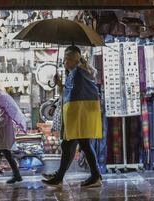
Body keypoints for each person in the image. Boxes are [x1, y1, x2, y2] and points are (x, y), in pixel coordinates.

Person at [42, 46, 103, 188]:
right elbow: (69, 92)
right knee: (81, 144)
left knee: (76, 144)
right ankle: (94, 176)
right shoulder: (77, 73)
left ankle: (60, 178)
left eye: (65, 59)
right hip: (79, 114)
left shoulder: (78, 73)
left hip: (79, 115)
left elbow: (73, 95)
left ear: (71, 59)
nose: (63, 62)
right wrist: (59, 84)